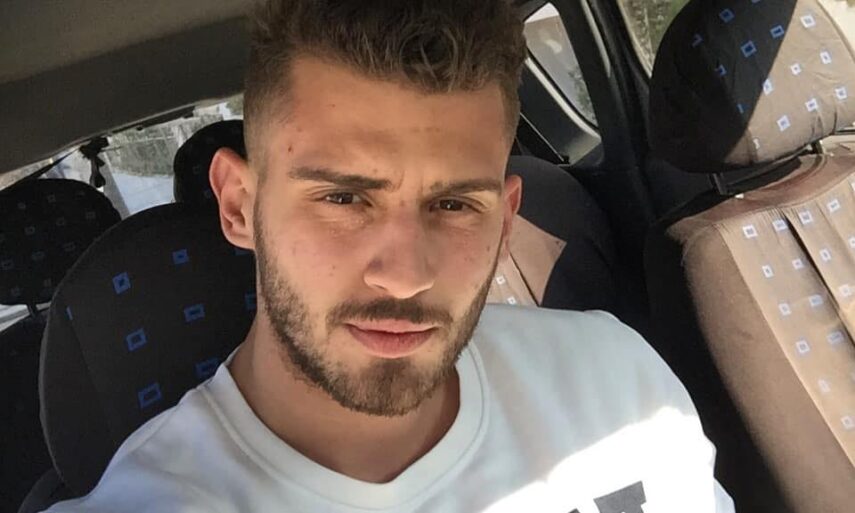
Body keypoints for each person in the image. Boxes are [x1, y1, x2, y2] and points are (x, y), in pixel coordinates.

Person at [44, 1, 734, 511]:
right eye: (344, 199)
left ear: (504, 221)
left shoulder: (615, 376)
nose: (405, 277)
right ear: (238, 206)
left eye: (454, 205)